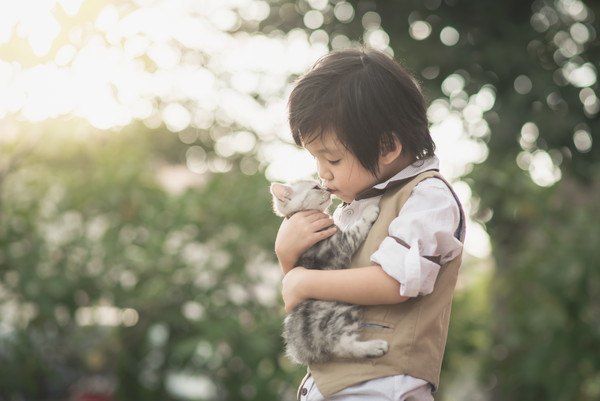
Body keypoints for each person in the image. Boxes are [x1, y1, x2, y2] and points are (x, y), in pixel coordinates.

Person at [274, 48, 466, 401]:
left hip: (383, 387)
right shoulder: (357, 205)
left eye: (332, 158)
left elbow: (396, 281)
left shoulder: (426, 198)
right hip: (329, 386)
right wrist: (288, 256)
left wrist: (302, 279)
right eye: (315, 158)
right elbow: (307, 304)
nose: (322, 172)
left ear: (387, 146)